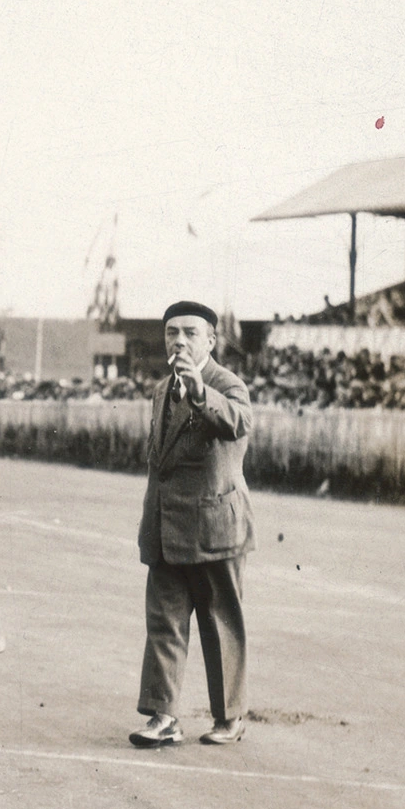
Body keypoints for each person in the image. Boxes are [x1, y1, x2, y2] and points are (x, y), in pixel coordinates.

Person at [130, 301, 255, 748]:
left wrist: (201, 391)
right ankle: (163, 716)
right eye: (170, 332)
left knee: (219, 624)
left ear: (210, 340)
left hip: (213, 528)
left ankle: (230, 718)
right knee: (163, 623)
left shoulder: (227, 383)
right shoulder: (163, 388)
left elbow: (239, 423)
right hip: (166, 527)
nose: (178, 341)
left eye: (188, 332)